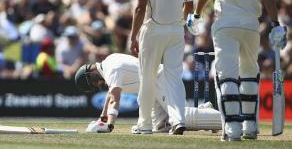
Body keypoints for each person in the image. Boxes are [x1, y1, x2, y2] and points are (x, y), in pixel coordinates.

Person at [187, 0, 287, 141]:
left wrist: (195, 15)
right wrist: (275, 23)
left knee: (227, 75)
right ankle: (250, 126)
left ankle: (232, 128)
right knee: (250, 74)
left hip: (226, 24)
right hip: (251, 25)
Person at [129, 0, 194, 135]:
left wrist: (133, 37)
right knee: (174, 78)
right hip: (176, 31)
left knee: (147, 77)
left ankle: (145, 124)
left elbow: (140, 8)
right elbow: (189, 5)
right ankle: (178, 120)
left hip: (153, 32)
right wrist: (180, 23)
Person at [74, 53, 222, 133]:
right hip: (153, 88)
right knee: (160, 126)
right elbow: (110, 93)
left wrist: (110, 125)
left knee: (180, 119)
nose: (97, 84)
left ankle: (226, 120)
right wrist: (102, 117)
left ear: (90, 73)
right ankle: (205, 111)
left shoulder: (111, 69)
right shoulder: (108, 63)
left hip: (161, 79)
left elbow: (115, 98)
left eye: (93, 83)